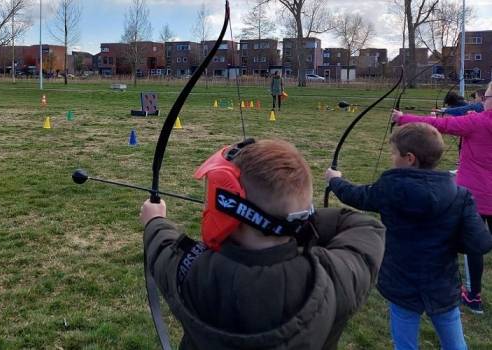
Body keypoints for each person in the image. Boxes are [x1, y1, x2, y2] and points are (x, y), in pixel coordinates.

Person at [140, 138, 386, 349]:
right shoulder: (334, 277)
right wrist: (296, 219)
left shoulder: (191, 272)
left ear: (228, 208)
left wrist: (155, 220)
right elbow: (366, 227)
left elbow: (162, 246)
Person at [325, 123, 492, 349]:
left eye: (394, 153)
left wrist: (335, 180)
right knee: (454, 343)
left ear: (410, 158)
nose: (392, 158)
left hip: (401, 281)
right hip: (441, 282)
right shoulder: (460, 195)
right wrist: (450, 240)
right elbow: (480, 242)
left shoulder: (390, 187)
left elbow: (356, 196)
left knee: (405, 344)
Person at [392, 81, 492, 314]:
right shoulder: (476, 120)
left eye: (485, 98)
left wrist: (403, 118)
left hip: (474, 196)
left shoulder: (476, 122)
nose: (481, 101)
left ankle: (473, 296)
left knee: (472, 246)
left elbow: (440, 125)